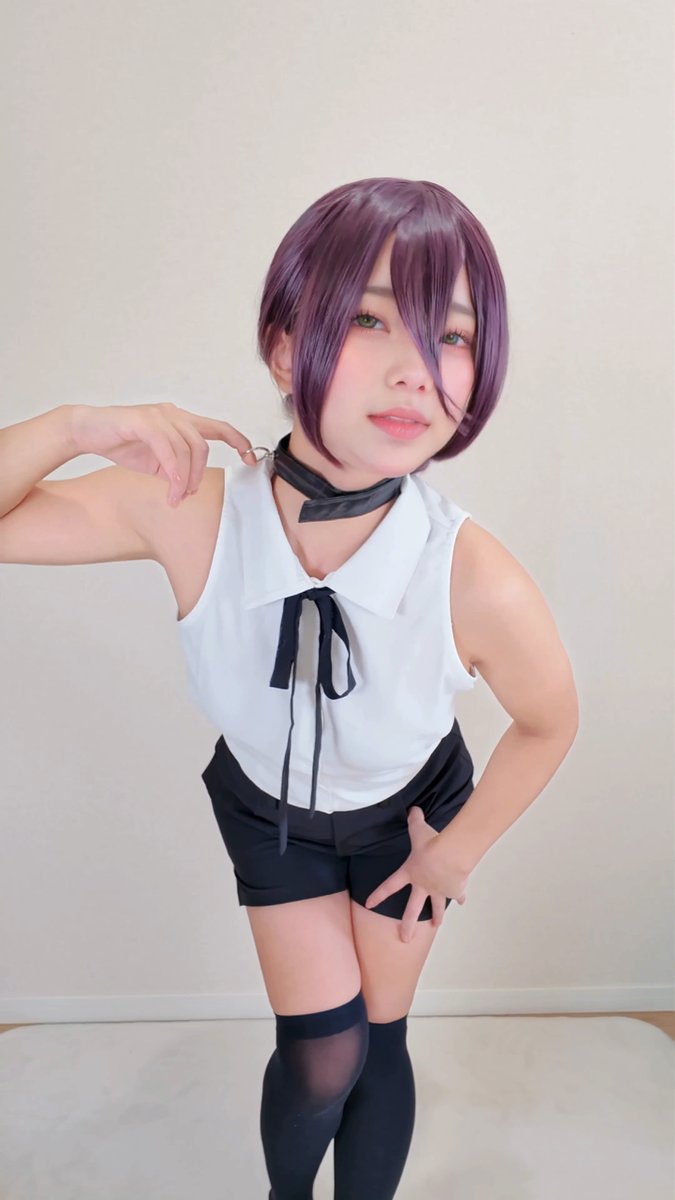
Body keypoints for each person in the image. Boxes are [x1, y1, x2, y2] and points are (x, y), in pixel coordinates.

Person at [0, 177, 579, 1199]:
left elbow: (549, 721)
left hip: (409, 818)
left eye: (450, 336)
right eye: (368, 319)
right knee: (322, 1053)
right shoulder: (190, 512)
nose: (414, 369)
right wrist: (74, 425)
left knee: (380, 1038)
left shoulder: (470, 572)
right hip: (271, 816)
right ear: (283, 346)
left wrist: (456, 852)